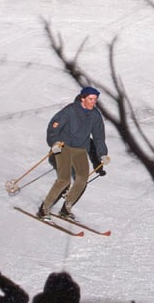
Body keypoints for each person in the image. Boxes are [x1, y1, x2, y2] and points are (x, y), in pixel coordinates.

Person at [38, 86, 109, 219]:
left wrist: (102, 154)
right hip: (63, 146)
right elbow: (53, 127)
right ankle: (44, 208)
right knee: (64, 179)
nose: (93, 102)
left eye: (95, 99)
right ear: (83, 98)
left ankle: (66, 207)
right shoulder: (70, 111)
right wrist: (54, 143)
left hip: (81, 149)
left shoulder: (95, 115)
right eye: (91, 99)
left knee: (82, 178)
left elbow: (99, 137)